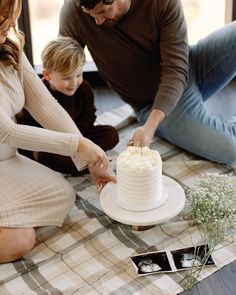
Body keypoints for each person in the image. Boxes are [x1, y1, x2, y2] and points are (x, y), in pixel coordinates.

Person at [0, 0, 115, 264]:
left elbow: (43, 104)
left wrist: (89, 159)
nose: (9, 25)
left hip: (6, 160)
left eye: (11, 16)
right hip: (6, 148)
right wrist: (79, 145)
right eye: (2, 19)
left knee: (64, 196)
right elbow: (7, 132)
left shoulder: (9, 41)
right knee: (20, 240)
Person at [59, 0, 236, 168]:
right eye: (90, 15)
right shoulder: (75, 10)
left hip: (189, 67)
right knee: (230, 149)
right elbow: (61, 64)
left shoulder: (160, 3)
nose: (96, 21)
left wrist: (149, 129)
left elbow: (176, 69)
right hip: (152, 103)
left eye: (102, 12)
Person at [16, 37, 119, 175]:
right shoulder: (37, 93)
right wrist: (61, 142)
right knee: (41, 156)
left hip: (78, 135)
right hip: (49, 143)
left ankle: (80, 160)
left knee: (111, 134)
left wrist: (78, 140)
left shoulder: (84, 88)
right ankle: (84, 166)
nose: (74, 82)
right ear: (47, 75)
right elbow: (26, 128)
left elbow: (89, 115)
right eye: (66, 78)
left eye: (79, 75)